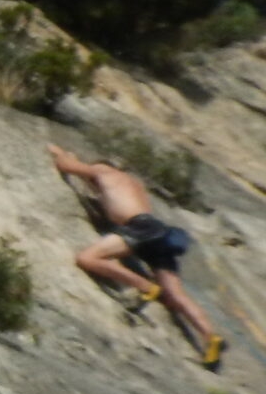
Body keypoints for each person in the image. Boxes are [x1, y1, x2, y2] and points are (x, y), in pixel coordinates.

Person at [48, 144, 224, 367]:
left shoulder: (103, 172)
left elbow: (64, 165)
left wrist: (63, 153)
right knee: (174, 294)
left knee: (87, 258)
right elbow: (105, 195)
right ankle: (211, 338)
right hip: (157, 230)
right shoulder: (132, 184)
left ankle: (145, 286)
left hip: (139, 229)